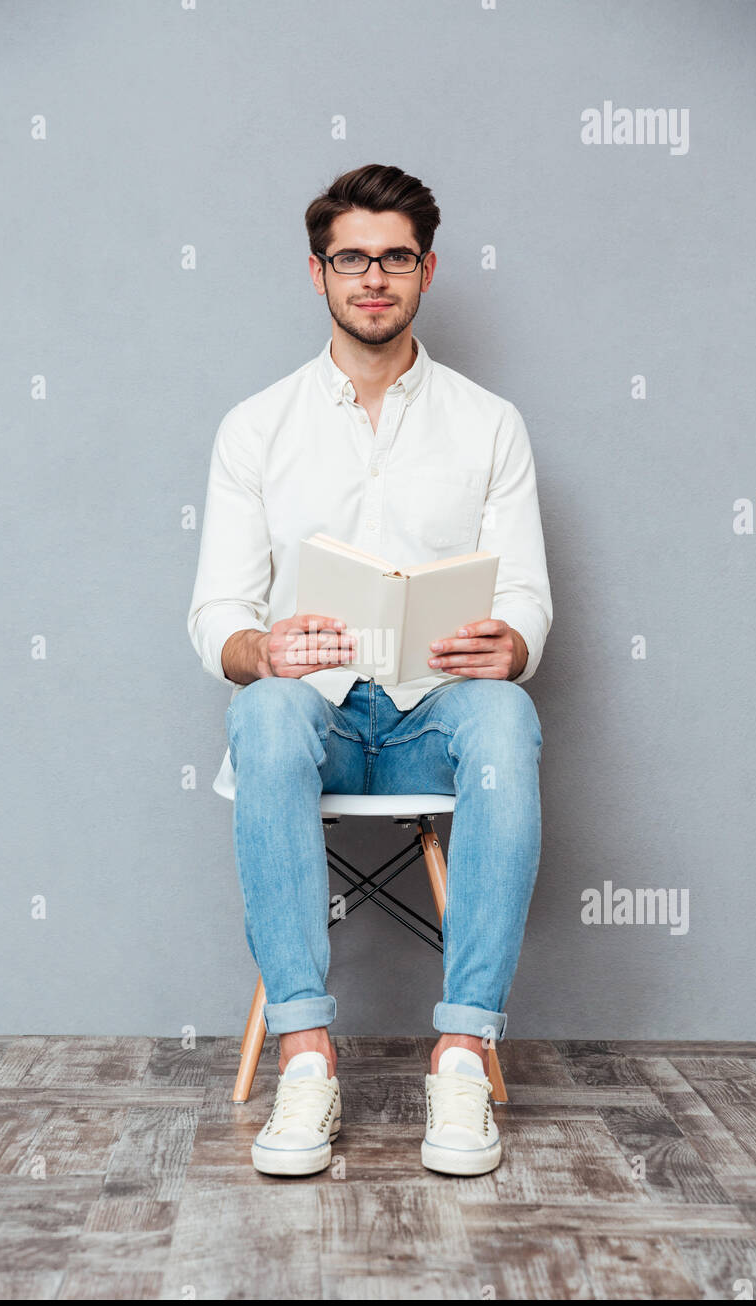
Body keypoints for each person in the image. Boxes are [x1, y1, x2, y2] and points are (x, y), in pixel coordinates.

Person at [187, 163, 552, 1177]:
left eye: (395, 257)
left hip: (435, 712)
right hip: (319, 722)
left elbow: (524, 591)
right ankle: (306, 1058)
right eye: (352, 258)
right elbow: (215, 610)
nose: (373, 277)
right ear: (318, 274)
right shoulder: (254, 426)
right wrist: (260, 648)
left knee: (504, 713)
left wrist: (510, 640)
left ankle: (460, 1052)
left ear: (425, 269)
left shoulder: (488, 423)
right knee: (262, 711)